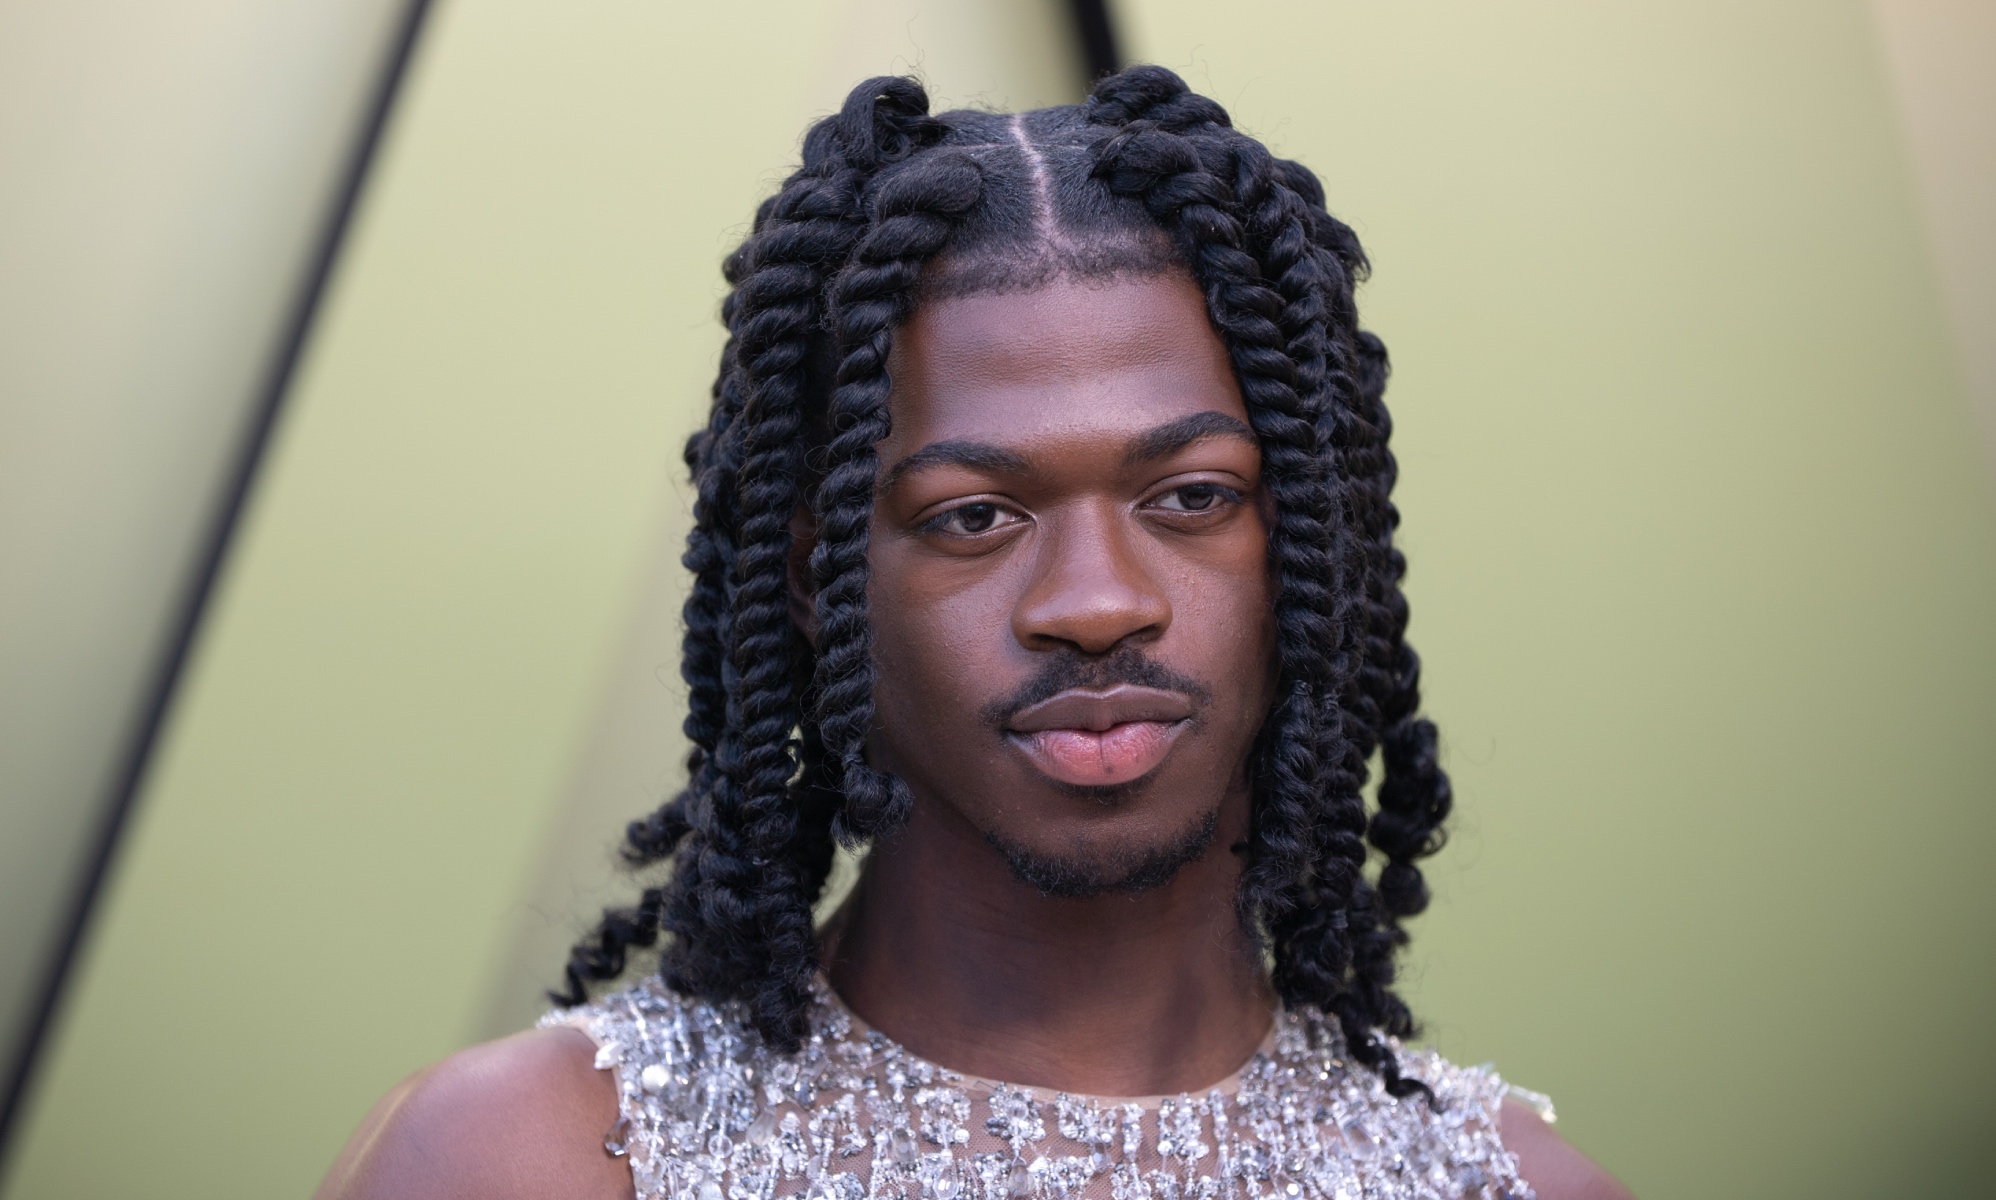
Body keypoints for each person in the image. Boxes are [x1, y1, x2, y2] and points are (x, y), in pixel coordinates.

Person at [317, 67, 1631, 1200]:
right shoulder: (532, 1161)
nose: (1097, 603)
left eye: (1192, 498)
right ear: (816, 579)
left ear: (1309, 546)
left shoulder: (1513, 1186)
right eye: (975, 517)